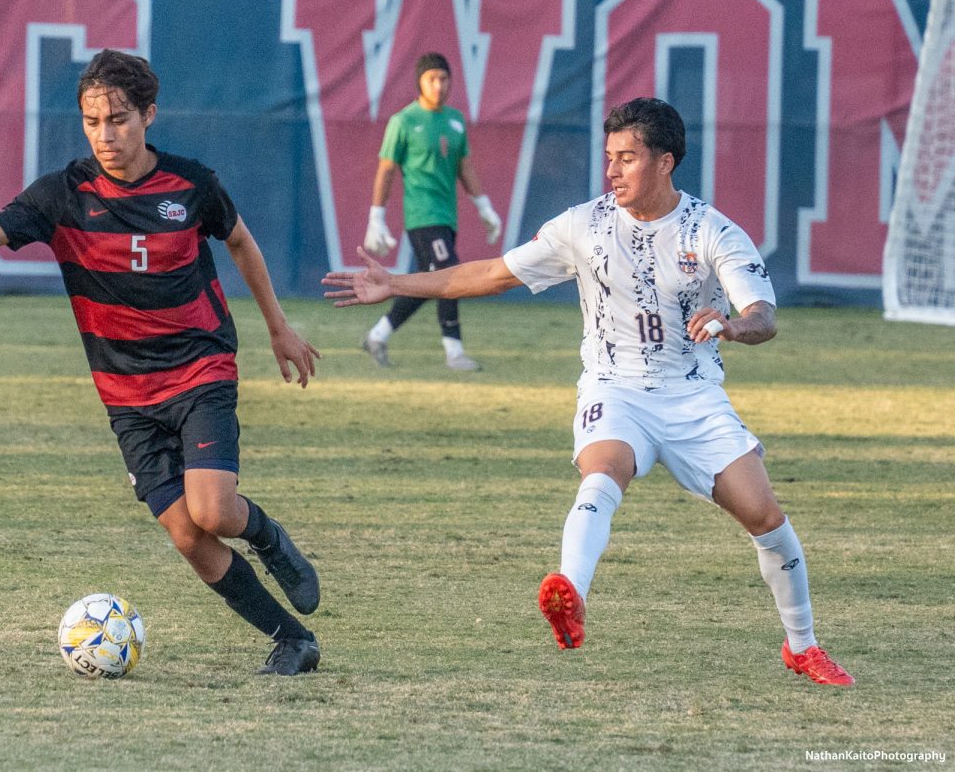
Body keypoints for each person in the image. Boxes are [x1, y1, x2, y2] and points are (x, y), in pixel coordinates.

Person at [323, 97, 854, 686]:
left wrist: (732, 324)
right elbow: (491, 273)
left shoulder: (712, 231)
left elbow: (763, 315)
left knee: (765, 516)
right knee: (603, 471)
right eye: (609, 158)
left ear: (665, 162)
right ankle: (568, 593)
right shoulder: (584, 225)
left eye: (627, 158)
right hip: (614, 387)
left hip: (693, 397)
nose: (613, 171)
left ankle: (802, 646)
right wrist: (395, 281)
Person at [0, 49, 323, 676]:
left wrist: (279, 328)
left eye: (120, 119)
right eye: (93, 121)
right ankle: (294, 641)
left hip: (199, 367)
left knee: (213, 511)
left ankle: (265, 536)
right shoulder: (61, 196)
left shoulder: (190, 184)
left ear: (149, 115)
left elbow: (239, 240)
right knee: (187, 535)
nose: (107, 135)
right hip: (126, 396)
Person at [360, 52, 502, 371]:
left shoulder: (455, 120)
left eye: (444, 78)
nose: (438, 85)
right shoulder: (404, 121)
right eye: (431, 79)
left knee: (428, 282)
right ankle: (454, 352)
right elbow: (386, 169)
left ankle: (377, 336)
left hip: (447, 216)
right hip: (422, 215)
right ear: (420, 83)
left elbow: (464, 166)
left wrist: (484, 207)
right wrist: (376, 217)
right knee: (451, 272)